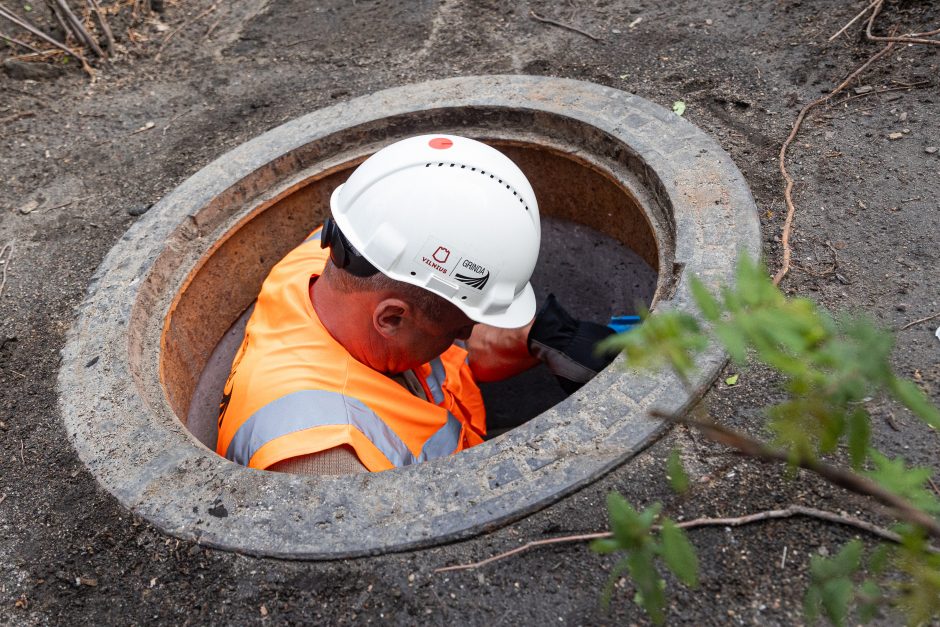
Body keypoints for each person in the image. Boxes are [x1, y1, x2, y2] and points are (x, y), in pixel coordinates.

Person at [216, 135, 616, 475]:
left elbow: (448, 330)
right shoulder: (325, 458)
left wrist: (542, 334)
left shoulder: (342, 261)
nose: (469, 337)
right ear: (391, 318)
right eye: (459, 331)